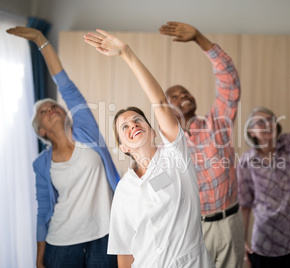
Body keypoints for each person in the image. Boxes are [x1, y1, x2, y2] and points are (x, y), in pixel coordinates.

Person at [84, 29, 214, 268]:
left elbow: (159, 102)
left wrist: (126, 53)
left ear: (154, 131)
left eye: (137, 120)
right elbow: (124, 252)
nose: (132, 125)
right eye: (124, 126)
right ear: (123, 146)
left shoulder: (176, 156)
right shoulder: (124, 190)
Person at [6, 27, 119, 268]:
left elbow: (66, 86)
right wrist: (39, 254)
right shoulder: (41, 164)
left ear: (67, 112)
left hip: (106, 237)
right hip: (62, 241)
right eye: (43, 112)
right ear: (41, 132)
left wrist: (41, 40)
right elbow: (44, 209)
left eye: (53, 106)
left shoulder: (86, 129)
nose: (50, 109)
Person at [159, 21, 245, 268]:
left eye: (185, 92)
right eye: (174, 96)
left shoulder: (217, 124)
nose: (183, 96)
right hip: (194, 229)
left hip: (231, 223)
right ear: (165, 109)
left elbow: (229, 80)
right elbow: (158, 190)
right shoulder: (165, 149)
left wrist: (199, 39)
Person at [237, 74, 290, 268]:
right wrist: (242, 242)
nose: (267, 125)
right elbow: (245, 204)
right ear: (251, 132)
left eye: (271, 120)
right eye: (260, 122)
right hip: (266, 240)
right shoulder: (246, 162)